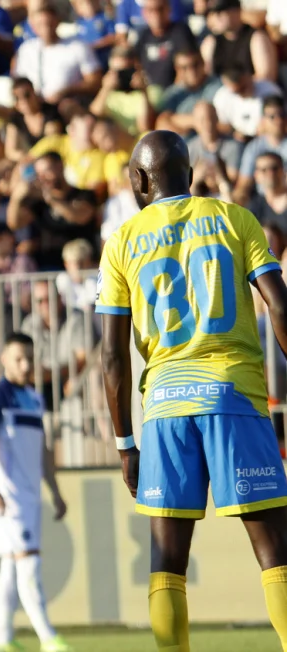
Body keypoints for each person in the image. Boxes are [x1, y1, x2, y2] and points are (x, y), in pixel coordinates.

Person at [98, 130, 287, 651]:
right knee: (274, 549)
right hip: (234, 394)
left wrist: (123, 443)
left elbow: (111, 355)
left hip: (164, 407)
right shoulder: (234, 219)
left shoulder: (121, 241)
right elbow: (281, 306)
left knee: (167, 560)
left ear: (139, 178)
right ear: (190, 170)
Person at [0, 332, 72, 652]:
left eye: (29, 357)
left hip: (30, 496)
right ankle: (47, 638)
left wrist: (54, 491)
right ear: (4, 359)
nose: (26, 364)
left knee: (11, 566)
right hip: (8, 497)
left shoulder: (34, 397)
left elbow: (42, 449)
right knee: (28, 563)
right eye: (18, 358)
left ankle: (2, 640)